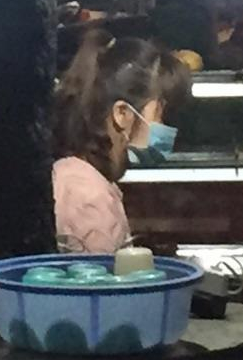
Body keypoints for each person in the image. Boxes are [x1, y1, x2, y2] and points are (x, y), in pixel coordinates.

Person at [50, 31, 189, 254]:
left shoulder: (80, 177)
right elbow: (99, 275)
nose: (168, 129)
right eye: (161, 114)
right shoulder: (89, 199)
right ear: (122, 113)